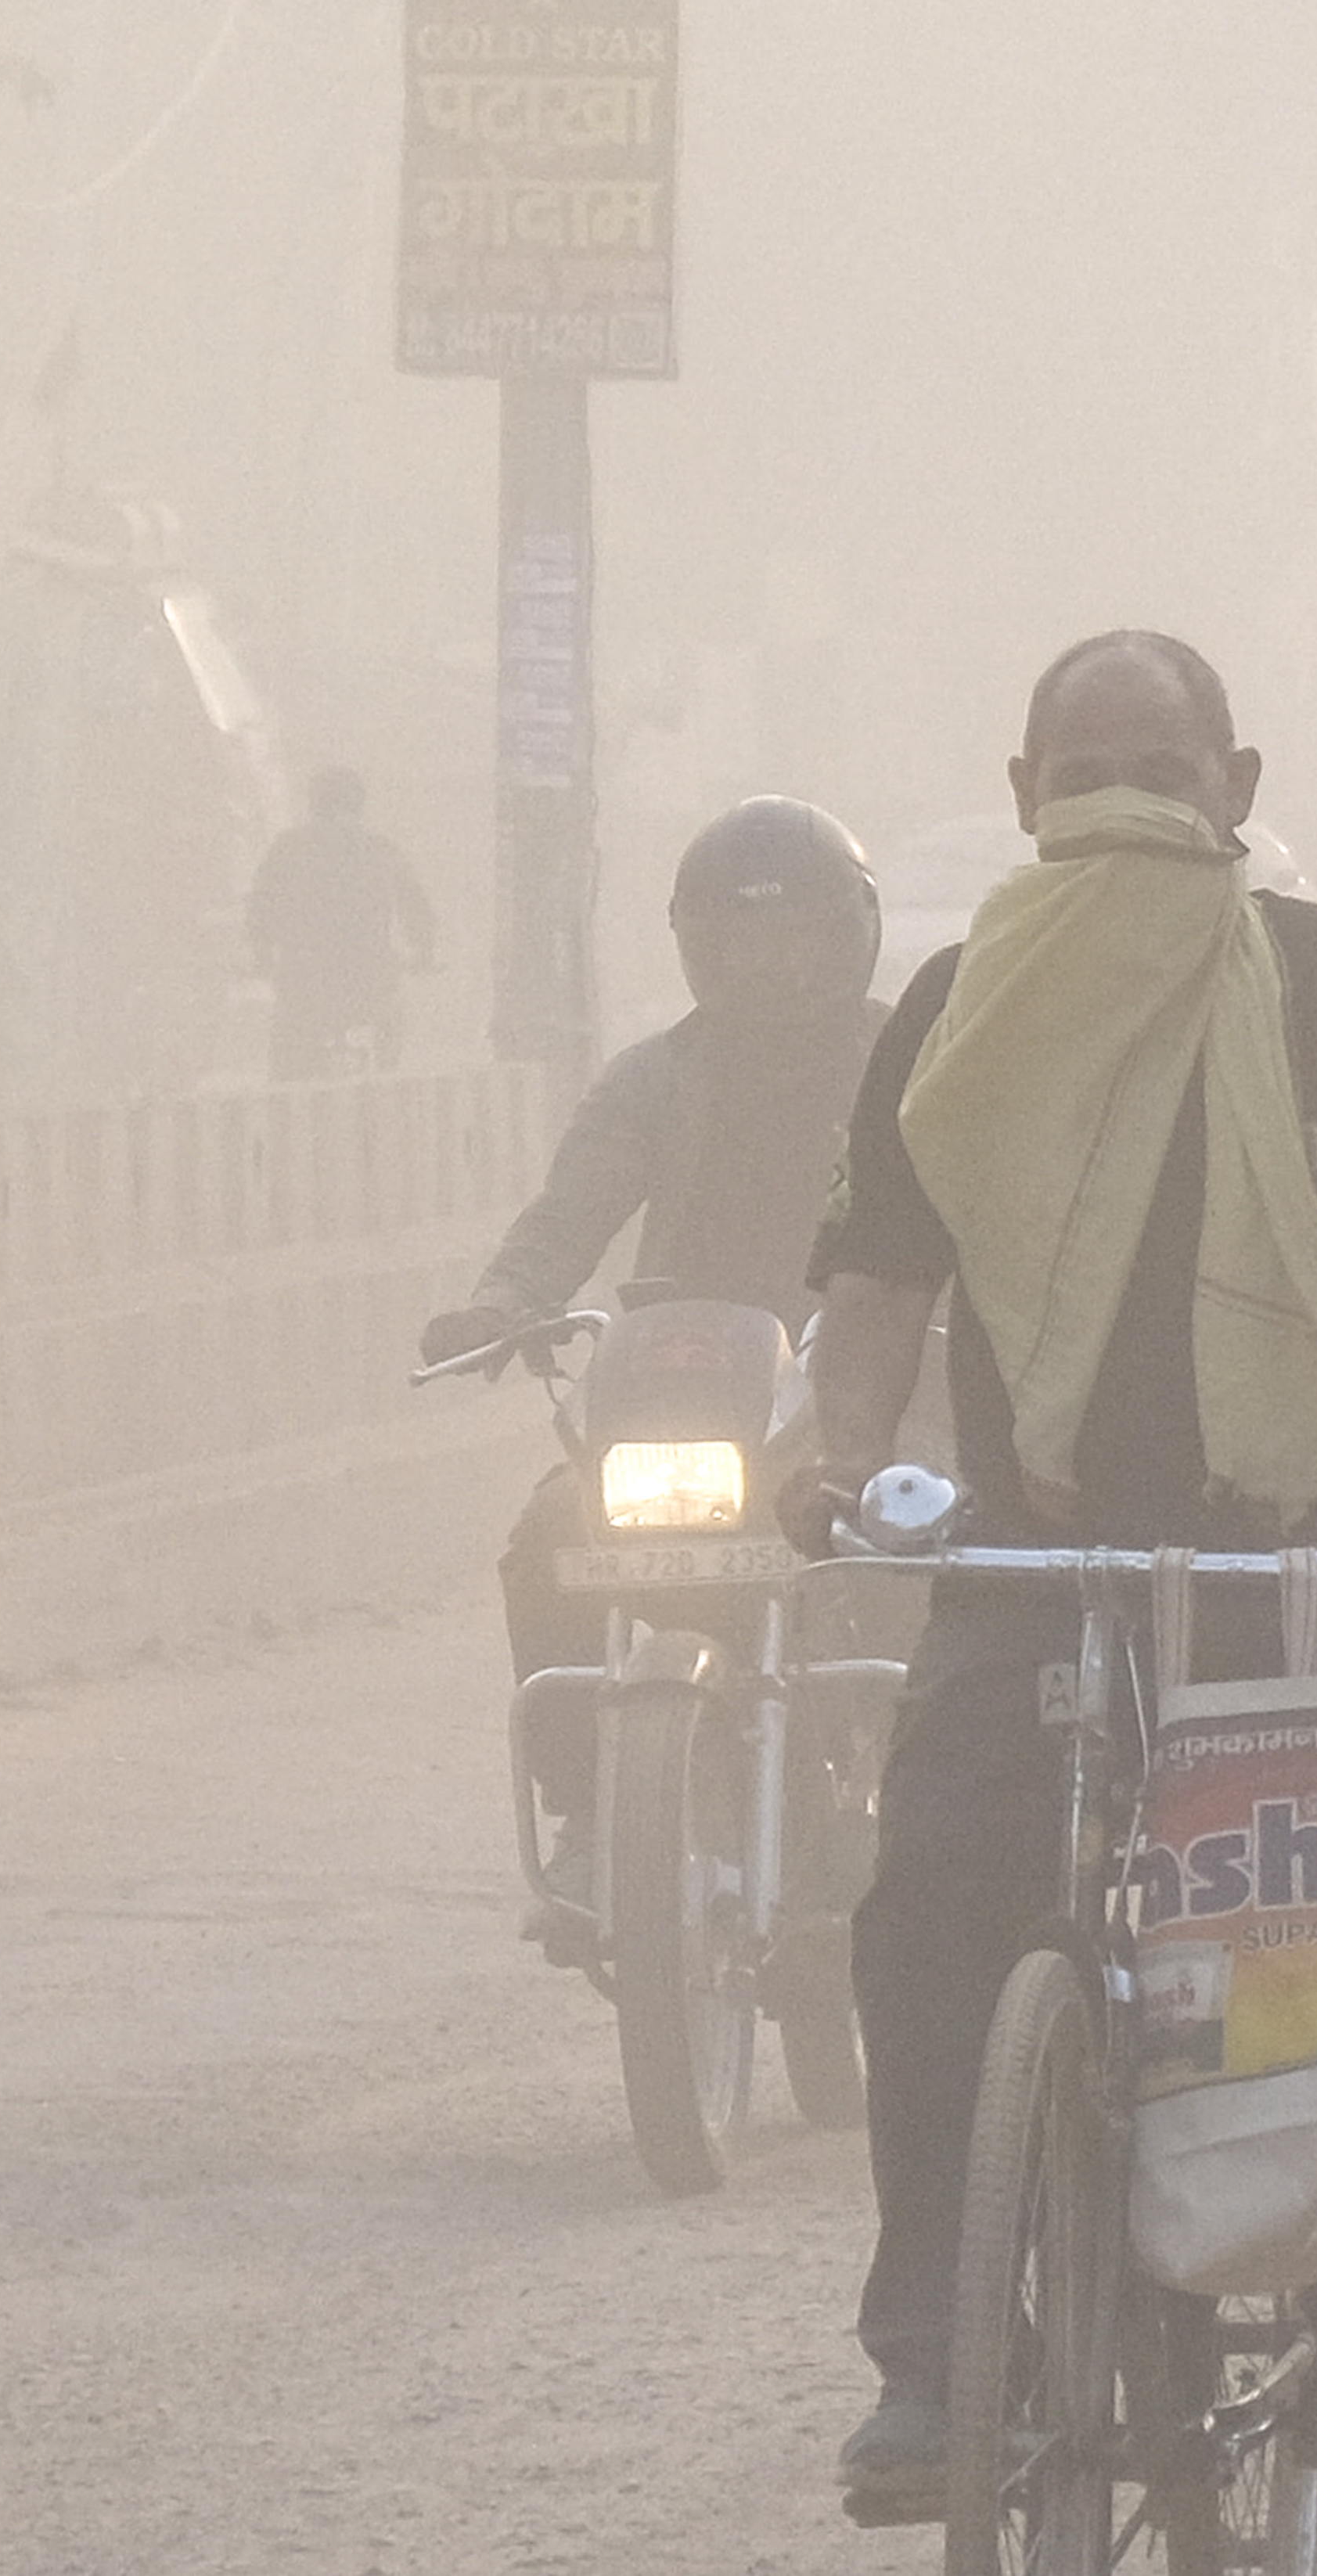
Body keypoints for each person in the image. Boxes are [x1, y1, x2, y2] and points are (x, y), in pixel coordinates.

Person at [786, 631, 1317, 2516]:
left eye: (1159, 764)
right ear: (1021, 796)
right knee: (932, 1907)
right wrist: (834, 1452)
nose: (1119, 796)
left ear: (1234, 789)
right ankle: (938, 2358)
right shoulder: (955, 1005)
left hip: (1297, 1564)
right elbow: (875, 1280)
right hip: (1039, 1562)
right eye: (1081, 764)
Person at [419, 797, 889, 1916]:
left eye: (793, 938)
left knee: (931, 1549)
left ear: (844, 937)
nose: (769, 966)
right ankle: (592, 1810)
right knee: (547, 1541)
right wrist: (504, 1304)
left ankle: (912, 1794)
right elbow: (571, 1207)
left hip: (867, 1383)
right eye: (741, 941)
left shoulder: (907, 1061)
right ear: (700, 949)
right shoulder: (654, 1078)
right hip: (691, 1392)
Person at [251, 767, 437, 1080]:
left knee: (287, 1052)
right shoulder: (380, 850)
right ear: (359, 804)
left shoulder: (288, 849)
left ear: (314, 804)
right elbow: (416, 909)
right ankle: (385, 1085)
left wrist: (262, 956)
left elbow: (261, 910)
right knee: (390, 1035)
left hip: (303, 983)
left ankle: (285, 1094)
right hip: (372, 983)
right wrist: (424, 953)